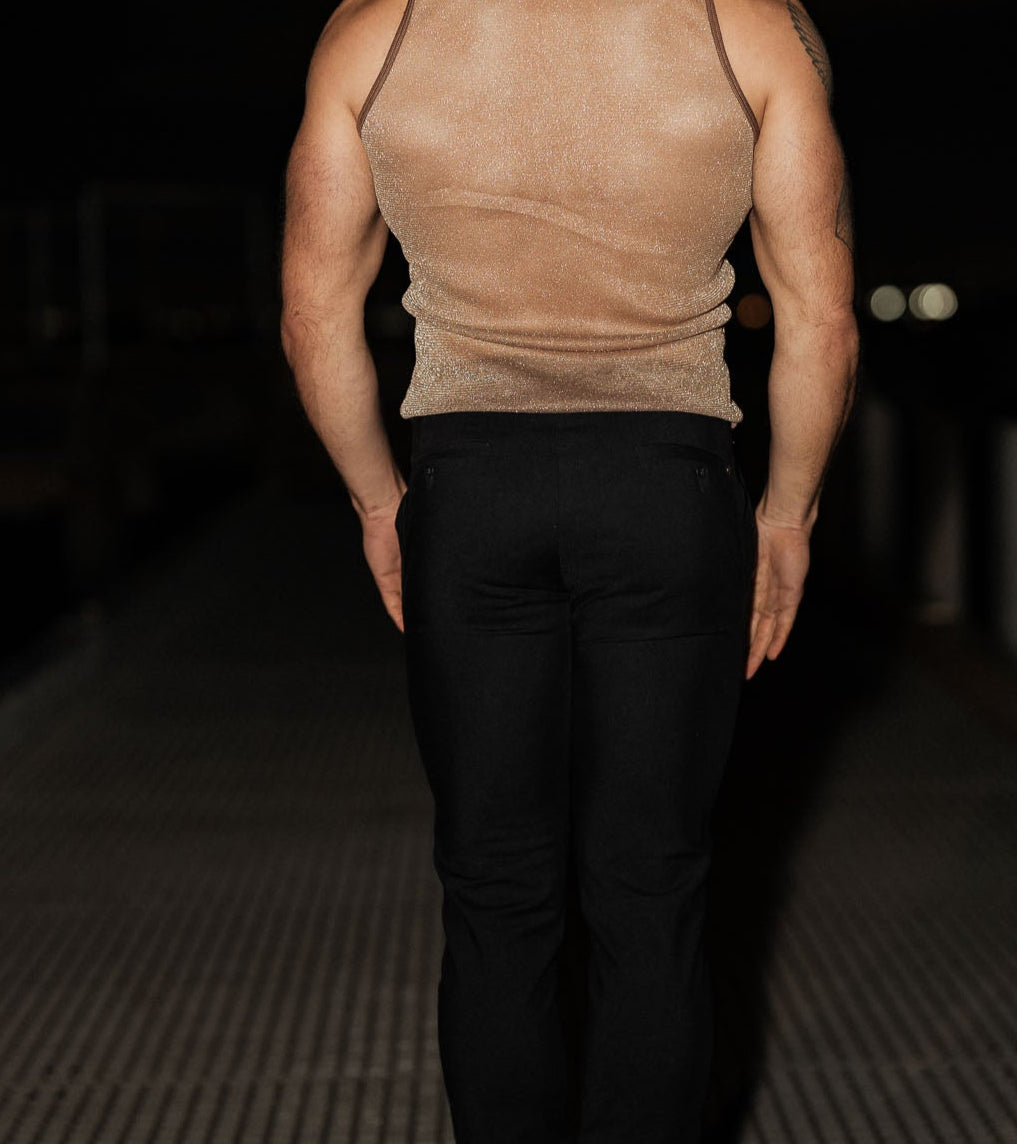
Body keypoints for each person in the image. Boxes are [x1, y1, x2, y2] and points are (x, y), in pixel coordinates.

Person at [280, 0, 858, 1140]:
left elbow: (313, 314)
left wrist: (378, 501)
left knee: (494, 889)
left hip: (471, 493)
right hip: (667, 490)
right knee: (652, 889)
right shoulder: (753, 25)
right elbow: (821, 320)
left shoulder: (370, 29)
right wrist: (787, 515)